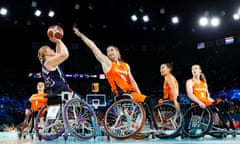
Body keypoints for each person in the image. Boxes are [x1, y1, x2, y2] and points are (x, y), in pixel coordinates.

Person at [73, 26, 156, 127]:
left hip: (132, 93)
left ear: (117, 52)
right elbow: (93, 47)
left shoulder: (126, 65)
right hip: (120, 94)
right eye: (108, 51)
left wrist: (140, 95)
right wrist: (81, 35)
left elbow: (133, 81)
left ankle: (150, 123)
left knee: (149, 101)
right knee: (145, 101)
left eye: (112, 50)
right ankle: (152, 124)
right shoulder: (107, 63)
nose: (109, 52)